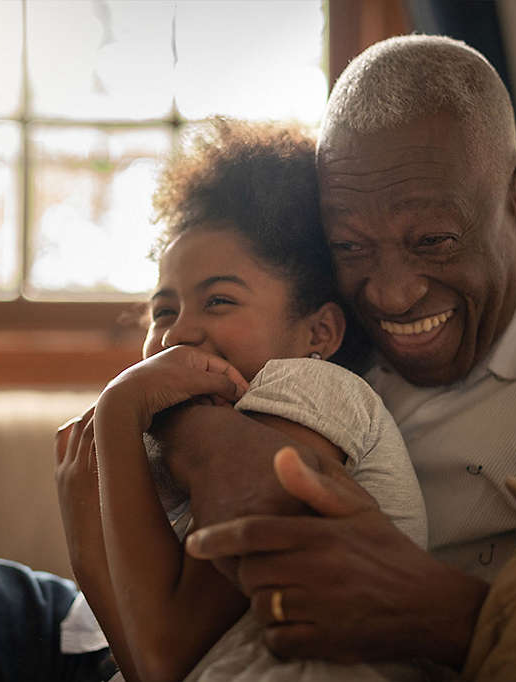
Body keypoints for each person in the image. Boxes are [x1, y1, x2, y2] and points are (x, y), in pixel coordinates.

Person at [140, 34, 516, 674]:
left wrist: (442, 613)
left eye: (434, 240)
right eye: (353, 247)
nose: (390, 294)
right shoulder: (329, 305)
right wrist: (193, 426)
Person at [55, 118, 434, 682]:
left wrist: (115, 413)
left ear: (319, 333)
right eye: (164, 311)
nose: (176, 334)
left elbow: (159, 661)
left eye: (220, 301)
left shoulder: (313, 392)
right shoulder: (206, 437)